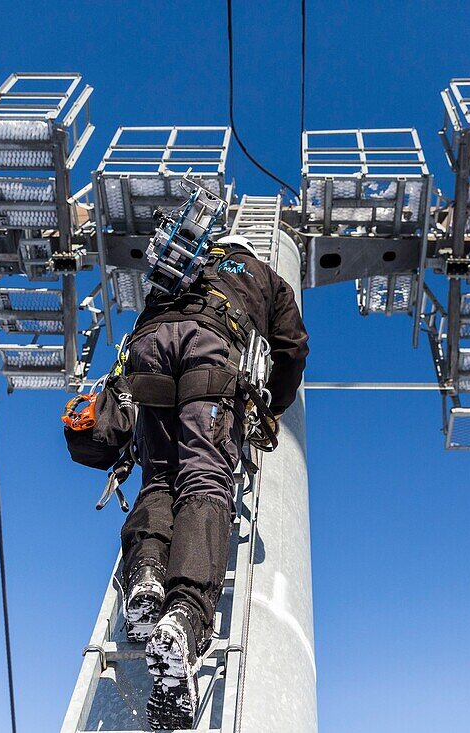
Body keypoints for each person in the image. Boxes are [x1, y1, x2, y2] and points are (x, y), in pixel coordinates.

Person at [120, 233, 308, 730]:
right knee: (205, 477)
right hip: (212, 351)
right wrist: (273, 406)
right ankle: (183, 614)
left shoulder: (192, 257)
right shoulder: (267, 278)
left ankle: (145, 576)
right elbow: (292, 348)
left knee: (159, 477)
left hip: (150, 349)